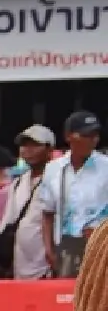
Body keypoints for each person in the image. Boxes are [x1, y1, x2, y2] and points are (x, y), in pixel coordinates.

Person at [41, 111, 108, 279]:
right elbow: (47, 212)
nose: (92, 140)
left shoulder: (106, 167)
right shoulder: (54, 169)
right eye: (86, 135)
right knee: (66, 292)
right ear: (69, 136)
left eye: (95, 135)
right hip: (65, 248)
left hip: (99, 248)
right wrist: (48, 248)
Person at [4, 127, 55, 281]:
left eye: (35, 145)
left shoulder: (58, 180)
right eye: (24, 145)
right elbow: (8, 222)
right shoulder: (17, 183)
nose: (28, 149)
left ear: (49, 149)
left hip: (47, 266)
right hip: (20, 266)